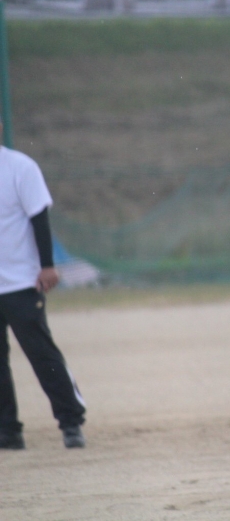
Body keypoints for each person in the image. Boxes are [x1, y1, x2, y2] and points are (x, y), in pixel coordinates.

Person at [0, 134, 87, 450]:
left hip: (21, 282)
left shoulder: (19, 167)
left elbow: (39, 218)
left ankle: (71, 422)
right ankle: (7, 431)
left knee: (42, 354)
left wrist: (47, 265)